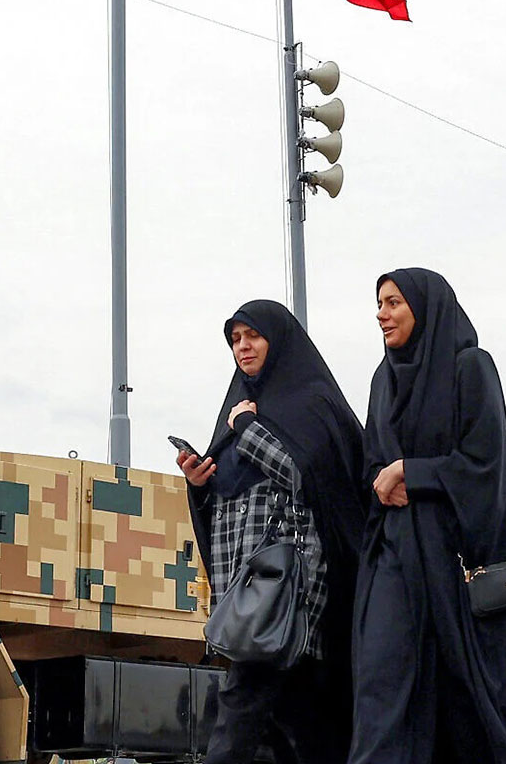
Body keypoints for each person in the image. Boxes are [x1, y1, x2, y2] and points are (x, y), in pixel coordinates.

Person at [348, 269, 506, 764]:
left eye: (393, 303)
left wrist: (414, 471)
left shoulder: (469, 368)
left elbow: (486, 466)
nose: (381, 314)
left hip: (453, 566)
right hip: (395, 556)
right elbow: (371, 462)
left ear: (424, 309)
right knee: (381, 685)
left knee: (464, 704)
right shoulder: (382, 381)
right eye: (380, 303)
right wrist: (382, 482)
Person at [179, 299, 366, 764]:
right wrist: (200, 483)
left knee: (240, 711)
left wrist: (247, 426)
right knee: (304, 722)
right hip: (246, 591)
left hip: (288, 590)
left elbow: (304, 476)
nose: (242, 347)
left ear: (277, 340)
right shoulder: (239, 402)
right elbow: (228, 495)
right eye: (235, 339)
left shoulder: (309, 404)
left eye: (252, 336)